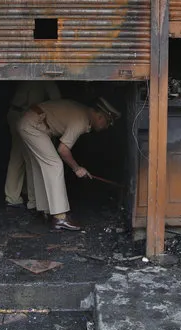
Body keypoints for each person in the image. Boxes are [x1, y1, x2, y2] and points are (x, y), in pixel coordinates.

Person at [17, 97, 120, 231]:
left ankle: (45, 210)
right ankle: (60, 217)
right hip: (33, 125)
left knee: (42, 165)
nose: (105, 127)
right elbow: (63, 150)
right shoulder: (81, 120)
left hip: (31, 122)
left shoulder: (83, 112)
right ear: (100, 117)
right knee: (55, 165)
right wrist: (77, 168)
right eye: (107, 123)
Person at [4, 81, 61, 208]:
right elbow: (57, 102)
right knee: (32, 158)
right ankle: (33, 200)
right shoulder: (46, 78)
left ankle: (13, 196)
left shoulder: (29, 74)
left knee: (17, 156)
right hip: (25, 117)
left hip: (14, 113)